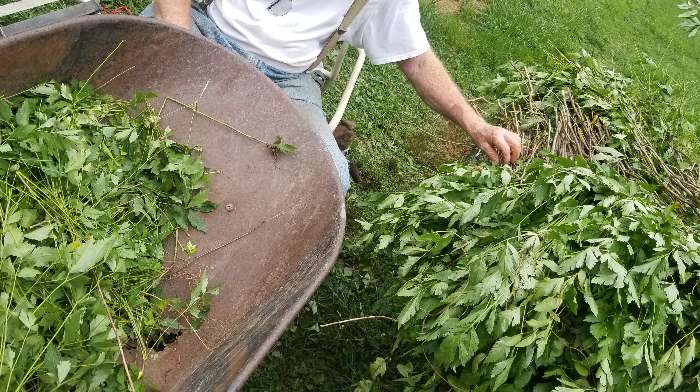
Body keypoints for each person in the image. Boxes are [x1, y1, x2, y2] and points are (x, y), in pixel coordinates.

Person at [144, 0, 522, 194]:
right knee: (124, 85)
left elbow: (417, 61)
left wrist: (476, 124)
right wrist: (186, 52)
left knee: (327, 179)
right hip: (203, 29)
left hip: (285, 77)